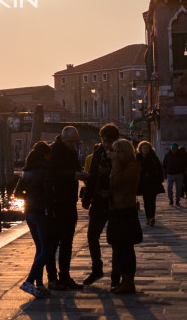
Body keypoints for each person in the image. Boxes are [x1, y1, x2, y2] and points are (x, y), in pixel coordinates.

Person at [46, 126, 88, 290]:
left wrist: (82, 174)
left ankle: (65, 276)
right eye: (71, 141)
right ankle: (52, 278)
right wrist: (72, 175)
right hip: (56, 203)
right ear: (62, 138)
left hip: (70, 202)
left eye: (75, 141)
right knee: (53, 242)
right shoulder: (52, 151)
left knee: (68, 242)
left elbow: (75, 167)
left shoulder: (71, 151)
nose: (73, 144)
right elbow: (50, 175)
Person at [81, 124, 120, 286]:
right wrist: (87, 199)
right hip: (98, 202)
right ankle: (97, 269)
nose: (105, 144)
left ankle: (116, 276)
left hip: (116, 203)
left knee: (116, 240)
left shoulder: (121, 154)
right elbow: (92, 179)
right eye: (103, 141)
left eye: (108, 141)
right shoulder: (98, 153)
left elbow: (126, 179)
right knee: (92, 237)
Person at [14, 141, 55, 298]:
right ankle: (29, 282)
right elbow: (49, 195)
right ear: (45, 155)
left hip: (29, 213)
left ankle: (38, 285)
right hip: (42, 213)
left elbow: (17, 194)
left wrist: (29, 197)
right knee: (46, 250)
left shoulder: (26, 171)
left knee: (39, 249)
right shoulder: (45, 171)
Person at [106, 138, 142, 294]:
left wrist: (114, 163)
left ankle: (129, 281)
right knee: (118, 247)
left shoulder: (132, 167)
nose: (114, 154)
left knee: (127, 248)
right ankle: (123, 279)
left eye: (117, 151)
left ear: (125, 152)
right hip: (116, 210)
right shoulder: (120, 165)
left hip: (126, 210)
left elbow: (117, 180)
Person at [135, 140, 164, 226]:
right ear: (140, 149)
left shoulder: (153, 157)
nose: (145, 149)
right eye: (144, 148)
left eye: (147, 148)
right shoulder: (137, 158)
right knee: (146, 200)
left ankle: (152, 217)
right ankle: (148, 217)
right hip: (143, 182)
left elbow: (159, 169)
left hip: (153, 182)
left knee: (152, 200)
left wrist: (160, 178)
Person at [162, 142, 187, 206]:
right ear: (171, 148)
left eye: (175, 148)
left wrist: (186, 170)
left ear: (177, 148)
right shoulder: (167, 155)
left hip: (179, 174)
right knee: (169, 187)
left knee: (179, 188)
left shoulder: (181, 155)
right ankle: (171, 199)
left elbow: (186, 163)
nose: (174, 149)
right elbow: (164, 164)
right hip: (170, 174)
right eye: (173, 148)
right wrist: (164, 172)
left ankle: (177, 200)